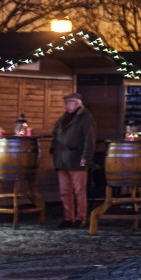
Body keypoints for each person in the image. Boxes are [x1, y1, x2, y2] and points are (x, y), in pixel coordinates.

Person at [50, 93, 96, 229]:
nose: (66, 105)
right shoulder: (63, 118)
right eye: (65, 102)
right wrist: (54, 149)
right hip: (61, 159)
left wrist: (85, 158)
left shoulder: (86, 118)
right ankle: (68, 217)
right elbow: (55, 134)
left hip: (76, 158)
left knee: (79, 191)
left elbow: (89, 139)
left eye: (68, 102)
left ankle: (80, 218)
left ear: (77, 103)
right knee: (64, 191)